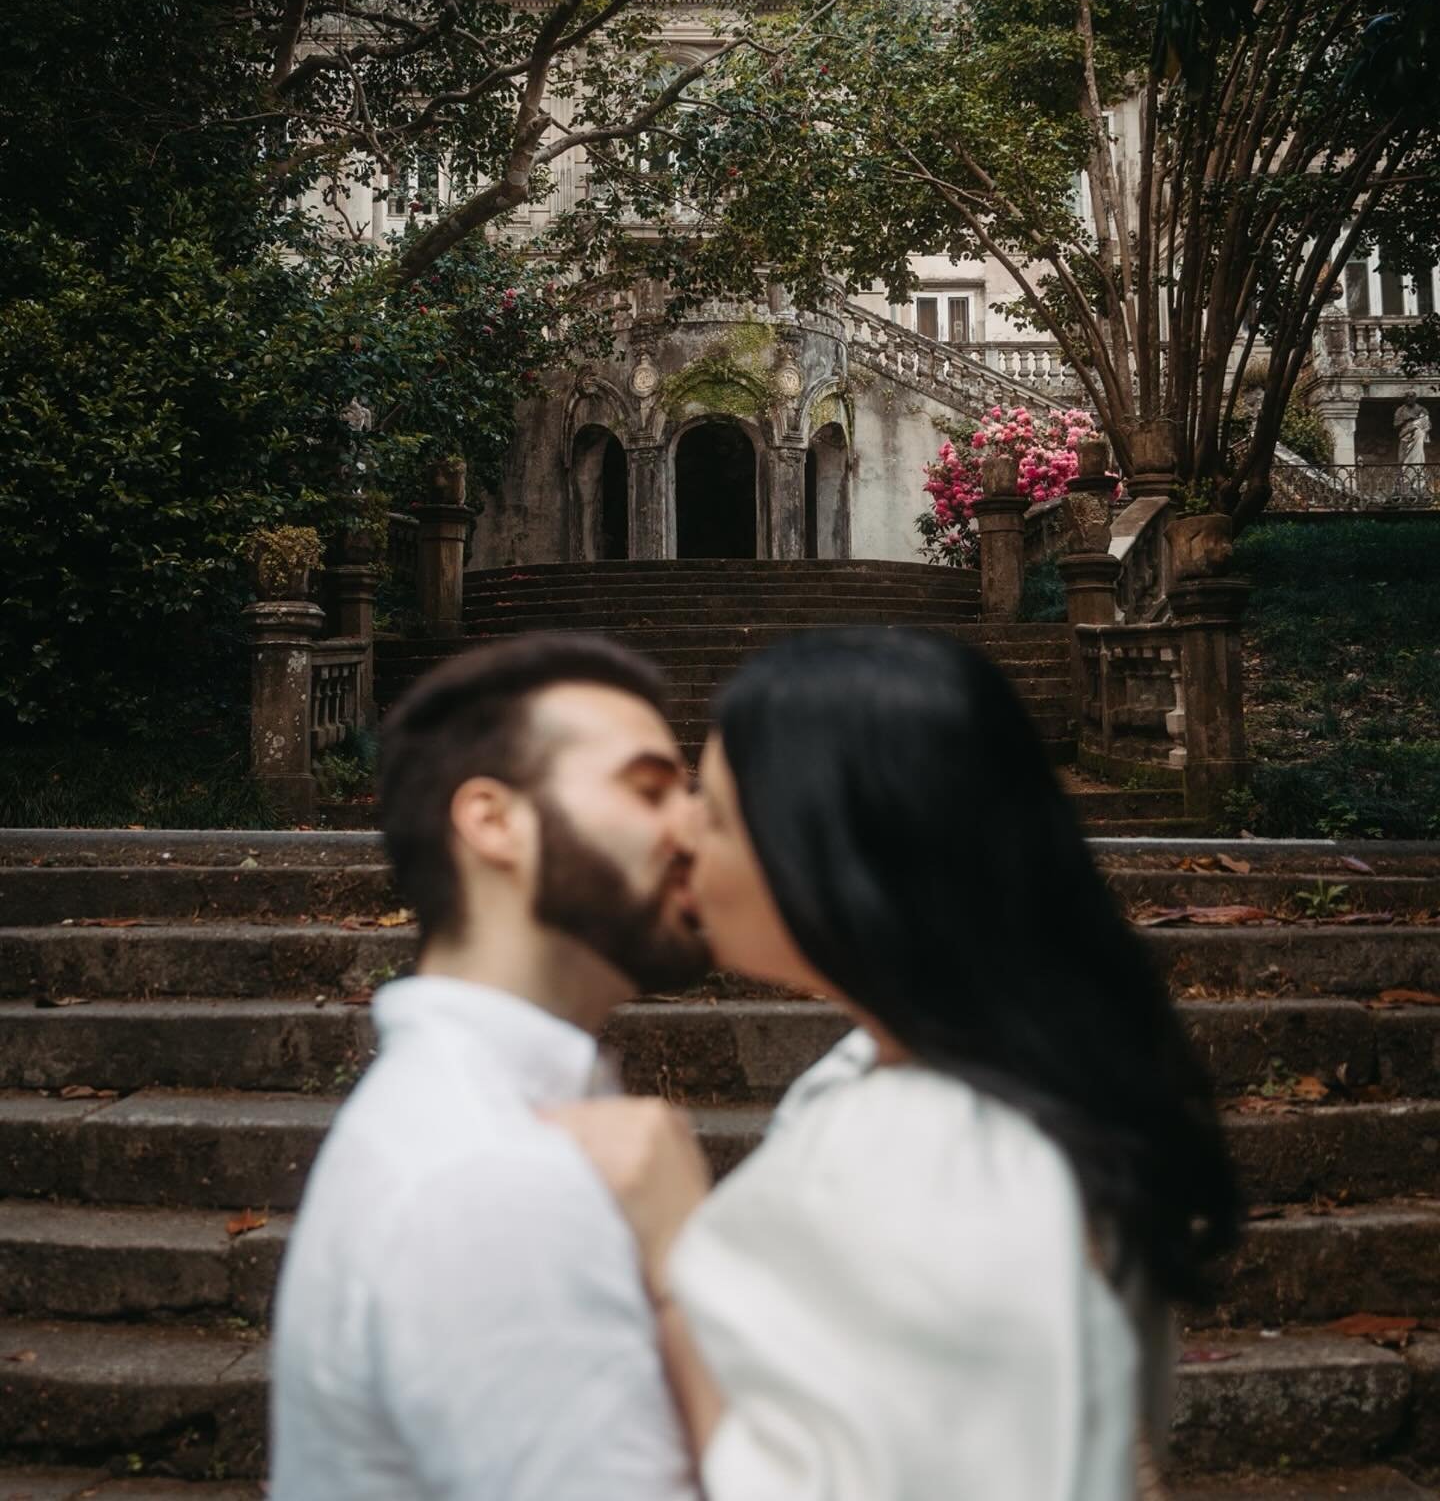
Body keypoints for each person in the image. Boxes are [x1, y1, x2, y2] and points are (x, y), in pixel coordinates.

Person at [555, 628, 1240, 1501]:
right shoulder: (950, 1072)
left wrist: (670, 1252)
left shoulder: (947, 1155)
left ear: (835, 855)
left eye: (715, 811)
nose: (678, 835)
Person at [270, 634, 710, 1501]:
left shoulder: (483, 1117)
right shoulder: (493, 1177)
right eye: (650, 788)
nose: (695, 829)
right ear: (493, 821)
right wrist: (683, 1260)